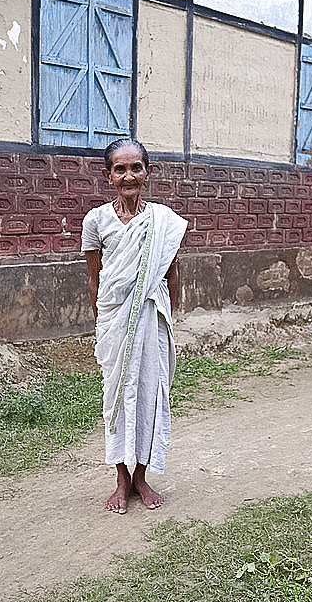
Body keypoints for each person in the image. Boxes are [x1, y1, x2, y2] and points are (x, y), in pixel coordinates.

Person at [81, 138, 188, 514]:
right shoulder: (96, 221)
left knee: (150, 392)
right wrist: (104, 323)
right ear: (108, 175)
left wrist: (166, 318)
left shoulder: (164, 221)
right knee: (117, 395)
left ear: (148, 172)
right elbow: (96, 280)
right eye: (120, 169)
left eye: (135, 168)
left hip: (151, 317)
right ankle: (120, 479)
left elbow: (173, 273)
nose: (128, 176)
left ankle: (141, 477)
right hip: (115, 320)